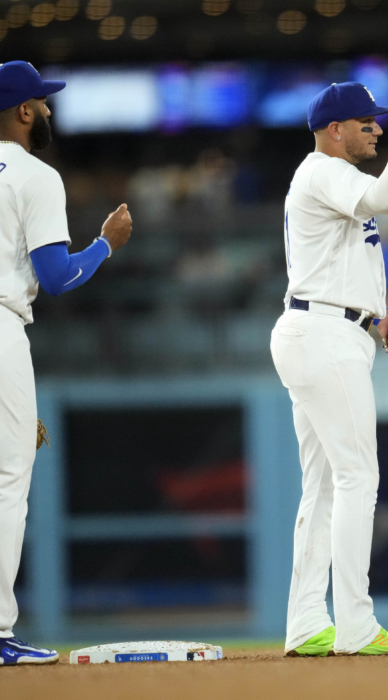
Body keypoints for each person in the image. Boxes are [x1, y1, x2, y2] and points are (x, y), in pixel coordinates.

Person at [270, 74, 388, 656]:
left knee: (324, 487)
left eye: (385, 122)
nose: (379, 128)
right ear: (334, 131)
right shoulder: (324, 170)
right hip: (323, 335)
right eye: (370, 123)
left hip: (328, 329)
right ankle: (356, 625)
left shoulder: (330, 178)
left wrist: (376, 319)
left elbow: (338, 267)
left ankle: (308, 620)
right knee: (357, 478)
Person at [0, 62, 132, 665]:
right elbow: (56, 277)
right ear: (24, 112)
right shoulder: (34, 174)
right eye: (44, 104)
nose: (50, 112)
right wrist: (105, 244)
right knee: (8, 481)